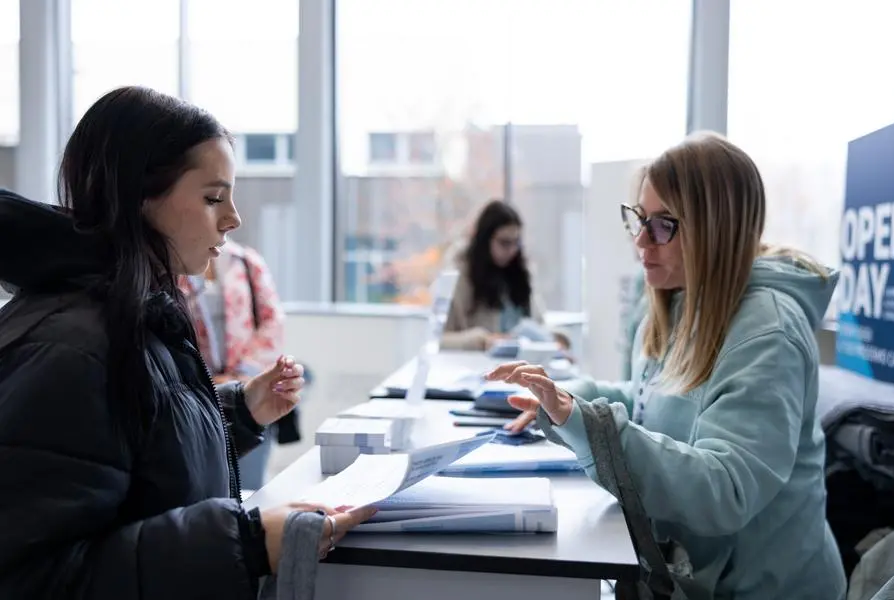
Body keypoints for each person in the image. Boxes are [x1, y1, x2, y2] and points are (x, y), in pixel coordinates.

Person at [0, 86, 374, 598]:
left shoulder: (131, 314)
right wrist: (243, 544)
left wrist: (239, 410)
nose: (233, 218)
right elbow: (33, 580)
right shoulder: (72, 347)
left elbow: (133, 442)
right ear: (140, 196)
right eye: (212, 198)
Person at [487, 132, 846, 599]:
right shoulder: (676, 302)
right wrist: (561, 395)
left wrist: (582, 421)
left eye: (663, 225)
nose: (641, 240)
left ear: (715, 229)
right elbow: (645, 402)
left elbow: (726, 488)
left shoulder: (769, 333)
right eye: (638, 218)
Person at [179, 239, 302, 490]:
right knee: (205, 480)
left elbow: (272, 321)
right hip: (196, 389)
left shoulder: (246, 261)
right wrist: (207, 379)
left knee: (247, 484)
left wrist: (242, 373)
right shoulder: (174, 265)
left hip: (247, 384)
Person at [441, 199, 565, 351]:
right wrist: (480, 340)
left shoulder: (519, 276)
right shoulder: (460, 279)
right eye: (504, 242)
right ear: (485, 239)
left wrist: (555, 341)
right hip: (479, 368)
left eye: (516, 243)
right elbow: (438, 339)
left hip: (523, 367)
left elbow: (538, 325)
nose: (512, 250)